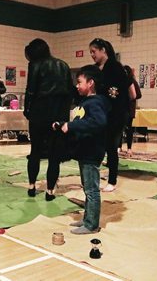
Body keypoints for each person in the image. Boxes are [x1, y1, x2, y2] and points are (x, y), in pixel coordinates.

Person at [56, 65, 109, 234]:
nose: (77, 85)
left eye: (79, 82)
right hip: (84, 151)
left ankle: (92, 224)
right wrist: (63, 125)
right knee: (87, 188)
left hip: (92, 152)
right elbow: (81, 122)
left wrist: (71, 126)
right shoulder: (85, 102)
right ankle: (87, 218)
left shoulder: (95, 103)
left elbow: (98, 122)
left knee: (92, 190)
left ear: (91, 83)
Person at [23, 38, 73, 201]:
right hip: (58, 115)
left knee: (35, 151)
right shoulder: (63, 65)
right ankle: (50, 191)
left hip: (39, 113)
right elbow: (69, 92)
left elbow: (30, 90)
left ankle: (31, 186)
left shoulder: (35, 65)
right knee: (54, 155)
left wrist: (27, 110)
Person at [89, 38, 129, 192]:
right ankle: (95, 178)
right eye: (90, 52)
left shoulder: (115, 67)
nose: (92, 55)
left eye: (94, 51)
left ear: (103, 50)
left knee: (111, 147)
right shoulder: (95, 69)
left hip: (115, 113)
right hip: (99, 112)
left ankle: (112, 180)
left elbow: (119, 92)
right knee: (98, 146)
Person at [121, 65, 142, 157]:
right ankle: (119, 147)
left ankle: (129, 148)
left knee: (129, 129)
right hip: (121, 109)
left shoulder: (132, 81)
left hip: (129, 109)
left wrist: (129, 97)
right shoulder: (120, 81)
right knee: (120, 129)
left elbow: (138, 95)